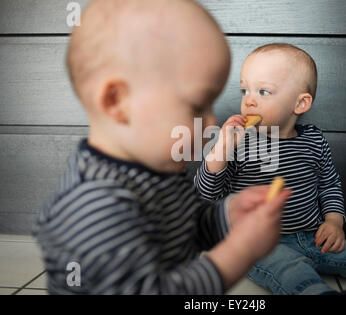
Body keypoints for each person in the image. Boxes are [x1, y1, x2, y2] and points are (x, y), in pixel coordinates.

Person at [32, 0, 292, 294]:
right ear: (118, 102)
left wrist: (228, 215)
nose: (210, 124)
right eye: (197, 105)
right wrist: (240, 251)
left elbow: (183, 230)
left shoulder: (155, 169)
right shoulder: (93, 206)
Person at [194, 43, 346, 295]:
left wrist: (334, 222)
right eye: (245, 90)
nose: (249, 101)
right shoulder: (238, 142)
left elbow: (329, 185)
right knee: (288, 269)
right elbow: (207, 195)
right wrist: (220, 150)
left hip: (313, 237)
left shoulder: (314, 141)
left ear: (301, 104)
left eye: (263, 91)